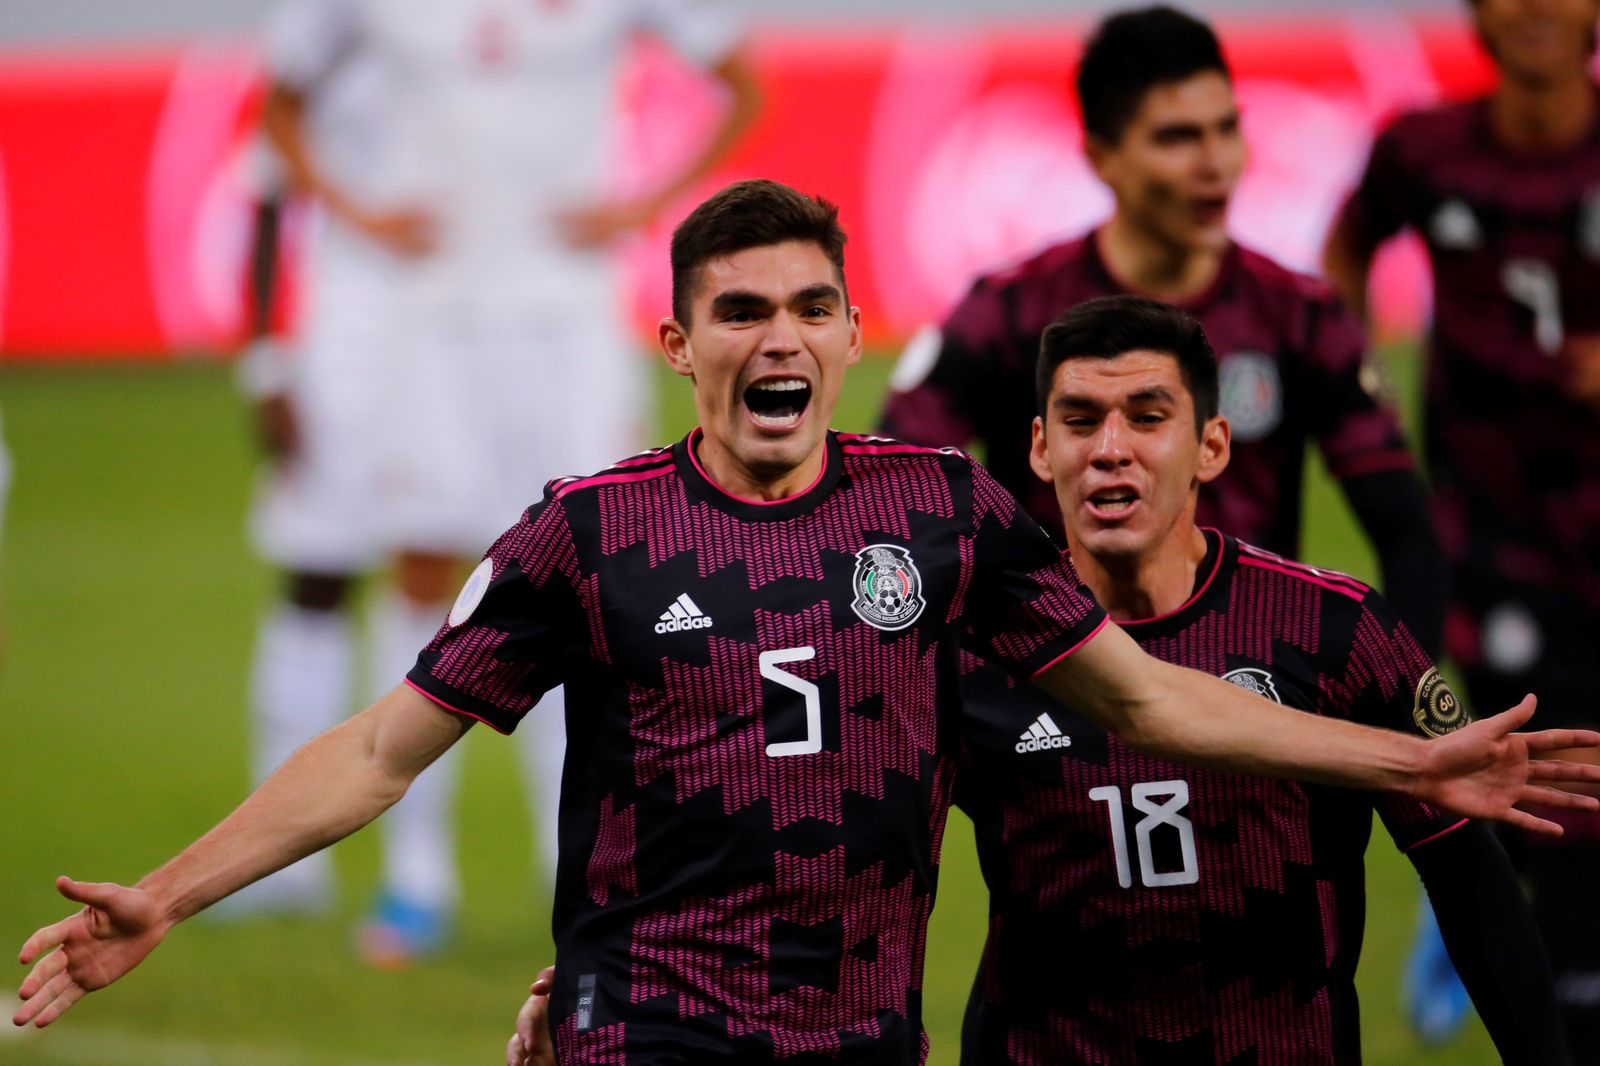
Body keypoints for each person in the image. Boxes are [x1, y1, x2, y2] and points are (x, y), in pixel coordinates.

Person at [15, 181, 1600, 1065]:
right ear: (677, 339)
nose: (775, 336)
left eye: (804, 306)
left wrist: (1406, 765)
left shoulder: (945, 513)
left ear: (851, 330)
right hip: (642, 1035)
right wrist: (168, 892)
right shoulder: (585, 531)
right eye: (739, 310)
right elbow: (376, 751)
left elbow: (1156, 703)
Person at [243, 0, 760, 961]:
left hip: (565, 317)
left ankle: (589, 870)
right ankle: (414, 876)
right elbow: (277, 103)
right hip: (428, 314)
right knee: (424, 575)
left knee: (605, 581)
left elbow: (741, 83)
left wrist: (643, 204)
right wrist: (355, 212)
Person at [954, 296, 1566, 1064]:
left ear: (1212, 446)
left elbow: (1471, 887)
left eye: (1147, 418)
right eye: (1080, 420)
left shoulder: (1333, 629)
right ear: (1040, 449)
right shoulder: (974, 652)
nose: (1110, 449)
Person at [879, 5, 1447, 657]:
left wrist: (1404, 713)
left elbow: (1410, 536)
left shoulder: (1300, 314)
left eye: (1226, 129)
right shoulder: (1012, 311)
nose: (1216, 163)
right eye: (1177, 138)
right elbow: (896, 491)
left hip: (1251, 695)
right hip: (1062, 694)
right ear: (1102, 157)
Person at [1323, 0, 1600, 1054]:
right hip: (1491, 533)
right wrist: (1349, 378)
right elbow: (1346, 245)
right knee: (1561, 777)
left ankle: (1484, 909)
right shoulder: (1423, 150)